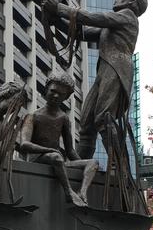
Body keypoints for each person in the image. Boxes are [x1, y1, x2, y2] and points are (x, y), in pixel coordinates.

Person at [42, 0, 147, 160]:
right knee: (87, 123)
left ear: (131, 1)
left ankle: (118, 167)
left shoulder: (127, 16)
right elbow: (83, 33)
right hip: (106, 69)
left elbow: (94, 18)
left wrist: (59, 9)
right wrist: (57, 21)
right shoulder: (113, 24)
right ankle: (80, 166)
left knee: (104, 117)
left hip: (116, 68)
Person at [17, 72, 99, 206]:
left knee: (93, 163)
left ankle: (82, 193)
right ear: (46, 89)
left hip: (57, 160)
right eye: (53, 91)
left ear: (66, 97)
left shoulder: (63, 118)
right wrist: (48, 150)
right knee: (56, 157)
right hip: (39, 159)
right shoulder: (33, 116)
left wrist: (83, 165)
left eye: (61, 94)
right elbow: (24, 144)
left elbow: (70, 150)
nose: (55, 96)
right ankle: (69, 192)